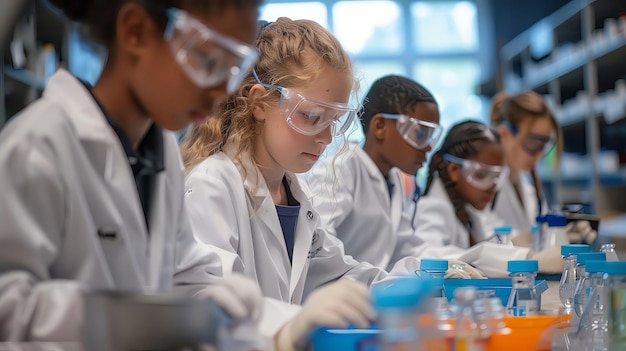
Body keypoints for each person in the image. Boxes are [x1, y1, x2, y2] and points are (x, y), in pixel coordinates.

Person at [0, 0, 265, 344]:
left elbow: (183, 272)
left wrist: (213, 302)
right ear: (135, 32)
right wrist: (122, 316)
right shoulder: (37, 145)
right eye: (208, 61)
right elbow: (7, 308)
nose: (219, 93)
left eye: (231, 72)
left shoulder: (162, 152)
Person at [181, 18, 421, 351]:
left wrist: (427, 277)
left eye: (334, 120)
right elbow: (209, 303)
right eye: (311, 116)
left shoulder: (294, 193)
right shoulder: (213, 186)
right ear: (260, 103)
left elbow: (341, 276)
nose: (324, 138)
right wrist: (290, 324)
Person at [305, 75, 441, 271]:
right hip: (338, 293)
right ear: (380, 126)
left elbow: (407, 249)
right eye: (420, 134)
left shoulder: (393, 178)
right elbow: (320, 246)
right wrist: (377, 280)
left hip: (370, 289)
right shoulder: (340, 168)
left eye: (431, 137)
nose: (427, 148)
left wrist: (459, 264)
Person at [411, 120, 564, 276]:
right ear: (455, 170)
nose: (492, 187)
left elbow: (490, 236)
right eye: (482, 175)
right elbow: (427, 256)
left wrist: (518, 241)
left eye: (496, 176)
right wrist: (528, 259)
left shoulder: (469, 209)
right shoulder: (432, 209)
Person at [490, 91, 595, 245]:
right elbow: (484, 240)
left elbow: (540, 236)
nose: (538, 154)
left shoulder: (529, 189)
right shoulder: (486, 187)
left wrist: (561, 234)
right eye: (533, 143)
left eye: (543, 145)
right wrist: (525, 241)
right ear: (504, 133)